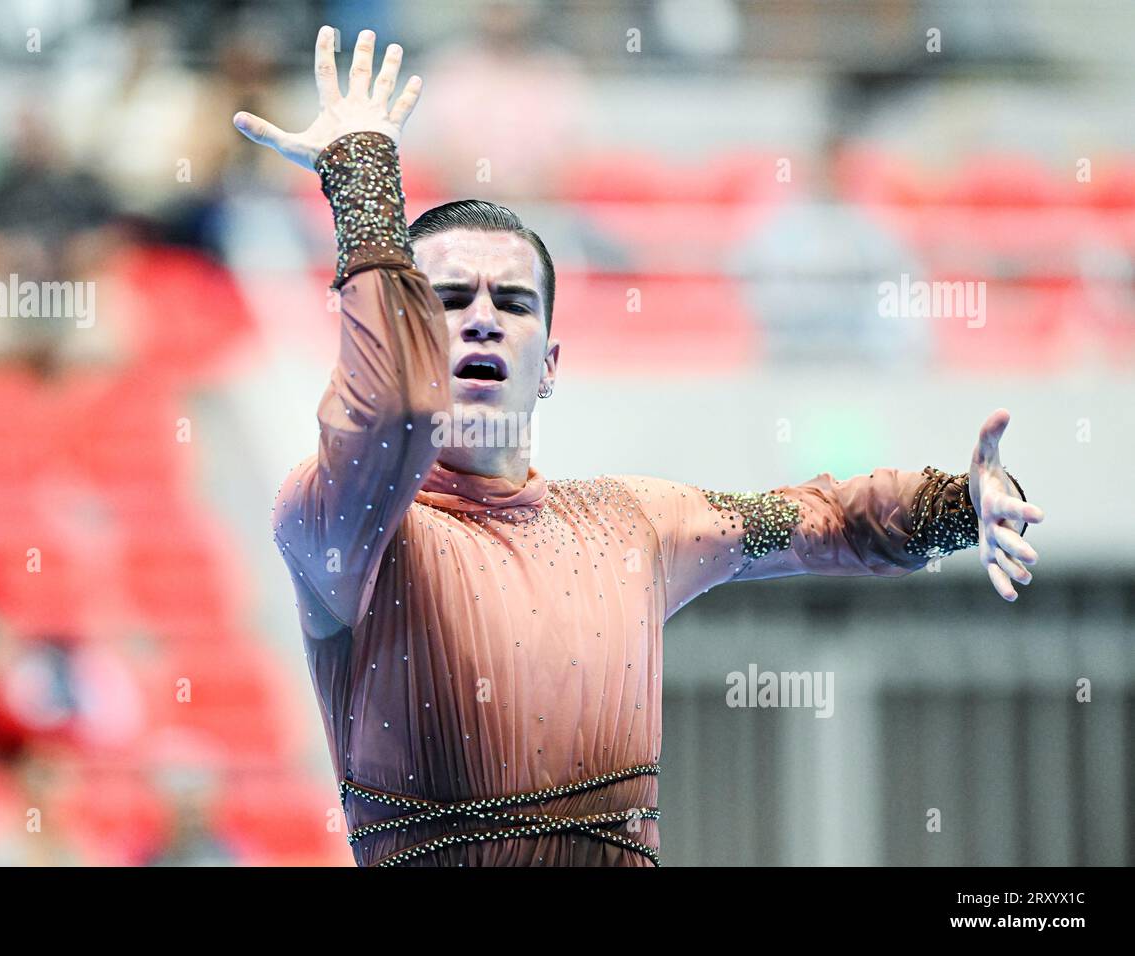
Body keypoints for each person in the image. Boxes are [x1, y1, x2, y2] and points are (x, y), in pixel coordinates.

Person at [233, 26, 1045, 867]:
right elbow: (392, 412)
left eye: (511, 301)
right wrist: (364, 181)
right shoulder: (345, 529)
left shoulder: (631, 527)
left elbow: (819, 520)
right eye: (445, 299)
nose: (481, 316)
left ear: (548, 365)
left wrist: (957, 504)